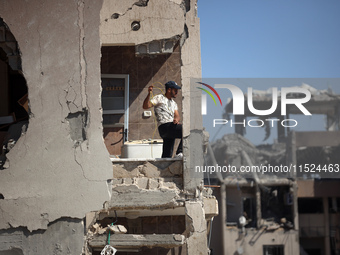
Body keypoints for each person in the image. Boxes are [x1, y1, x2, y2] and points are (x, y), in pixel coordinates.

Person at [143, 81, 183, 158]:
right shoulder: (159, 98)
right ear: (169, 90)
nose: (177, 92)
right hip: (164, 126)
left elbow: (177, 115)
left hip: (171, 127)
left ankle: (163, 167)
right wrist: (149, 93)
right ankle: (180, 152)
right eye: (175, 90)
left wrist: (176, 119)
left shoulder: (174, 103)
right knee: (187, 131)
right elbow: (145, 106)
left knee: (167, 153)